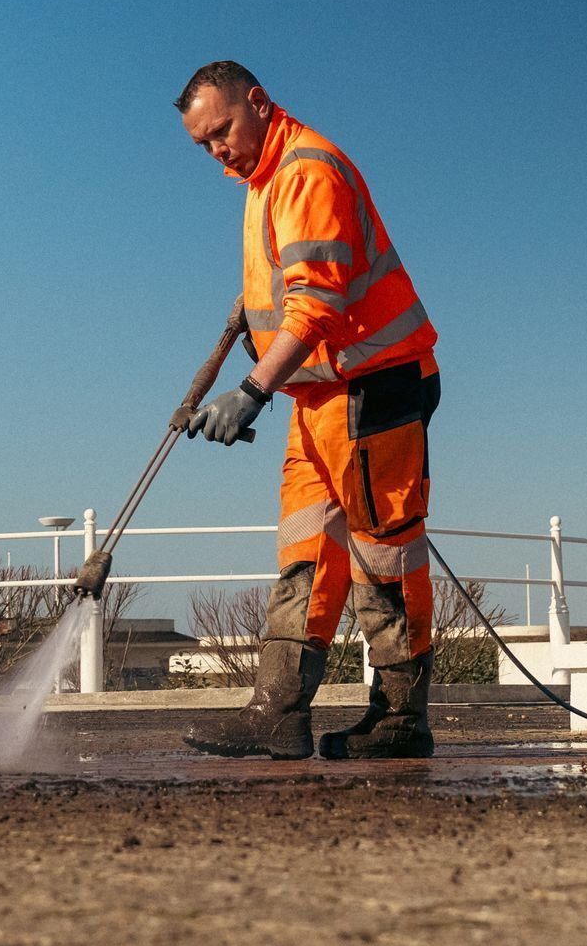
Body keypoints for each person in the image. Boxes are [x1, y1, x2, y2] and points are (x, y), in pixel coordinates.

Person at [174, 61, 440, 760]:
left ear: (258, 104)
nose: (217, 152)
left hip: (375, 385)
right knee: (306, 552)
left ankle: (401, 718)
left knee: (383, 556)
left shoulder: (305, 171)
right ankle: (278, 710)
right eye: (203, 144)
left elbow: (317, 303)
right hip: (321, 394)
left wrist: (252, 389)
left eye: (222, 131)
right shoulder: (262, 182)